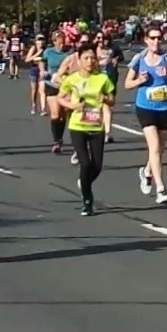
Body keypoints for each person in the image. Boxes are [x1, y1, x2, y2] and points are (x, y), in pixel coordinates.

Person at [59, 42, 115, 216]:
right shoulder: (72, 79)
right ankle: (87, 199)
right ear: (80, 60)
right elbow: (61, 98)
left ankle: (84, 182)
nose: (90, 61)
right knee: (85, 163)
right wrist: (72, 105)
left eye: (93, 58)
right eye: (86, 58)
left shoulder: (103, 79)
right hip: (78, 126)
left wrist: (105, 98)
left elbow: (112, 100)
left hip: (96, 126)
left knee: (97, 165)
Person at [126, 25, 167, 203]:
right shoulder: (139, 59)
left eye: (158, 38)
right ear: (146, 40)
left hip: (164, 108)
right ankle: (160, 188)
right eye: (152, 38)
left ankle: (147, 171)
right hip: (145, 107)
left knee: (160, 149)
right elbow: (127, 84)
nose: (156, 41)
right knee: (154, 147)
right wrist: (140, 80)